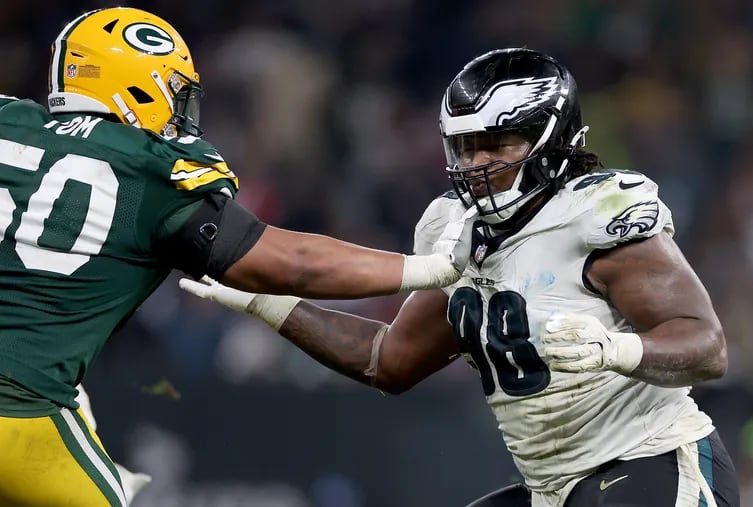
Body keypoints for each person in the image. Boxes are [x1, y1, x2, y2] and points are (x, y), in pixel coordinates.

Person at [181, 48, 740, 507]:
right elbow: (388, 361)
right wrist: (268, 301)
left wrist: (614, 350)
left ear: (550, 140)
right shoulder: (453, 228)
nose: (475, 163)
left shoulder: (598, 214)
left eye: (495, 144)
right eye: (466, 146)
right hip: (552, 488)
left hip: (653, 459)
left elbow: (707, 347)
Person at [0, 7, 476, 506]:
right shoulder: (150, 169)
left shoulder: (10, 120)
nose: (182, 111)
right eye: (175, 93)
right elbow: (294, 262)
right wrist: (424, 268)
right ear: (139, 86)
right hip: (18, 405)